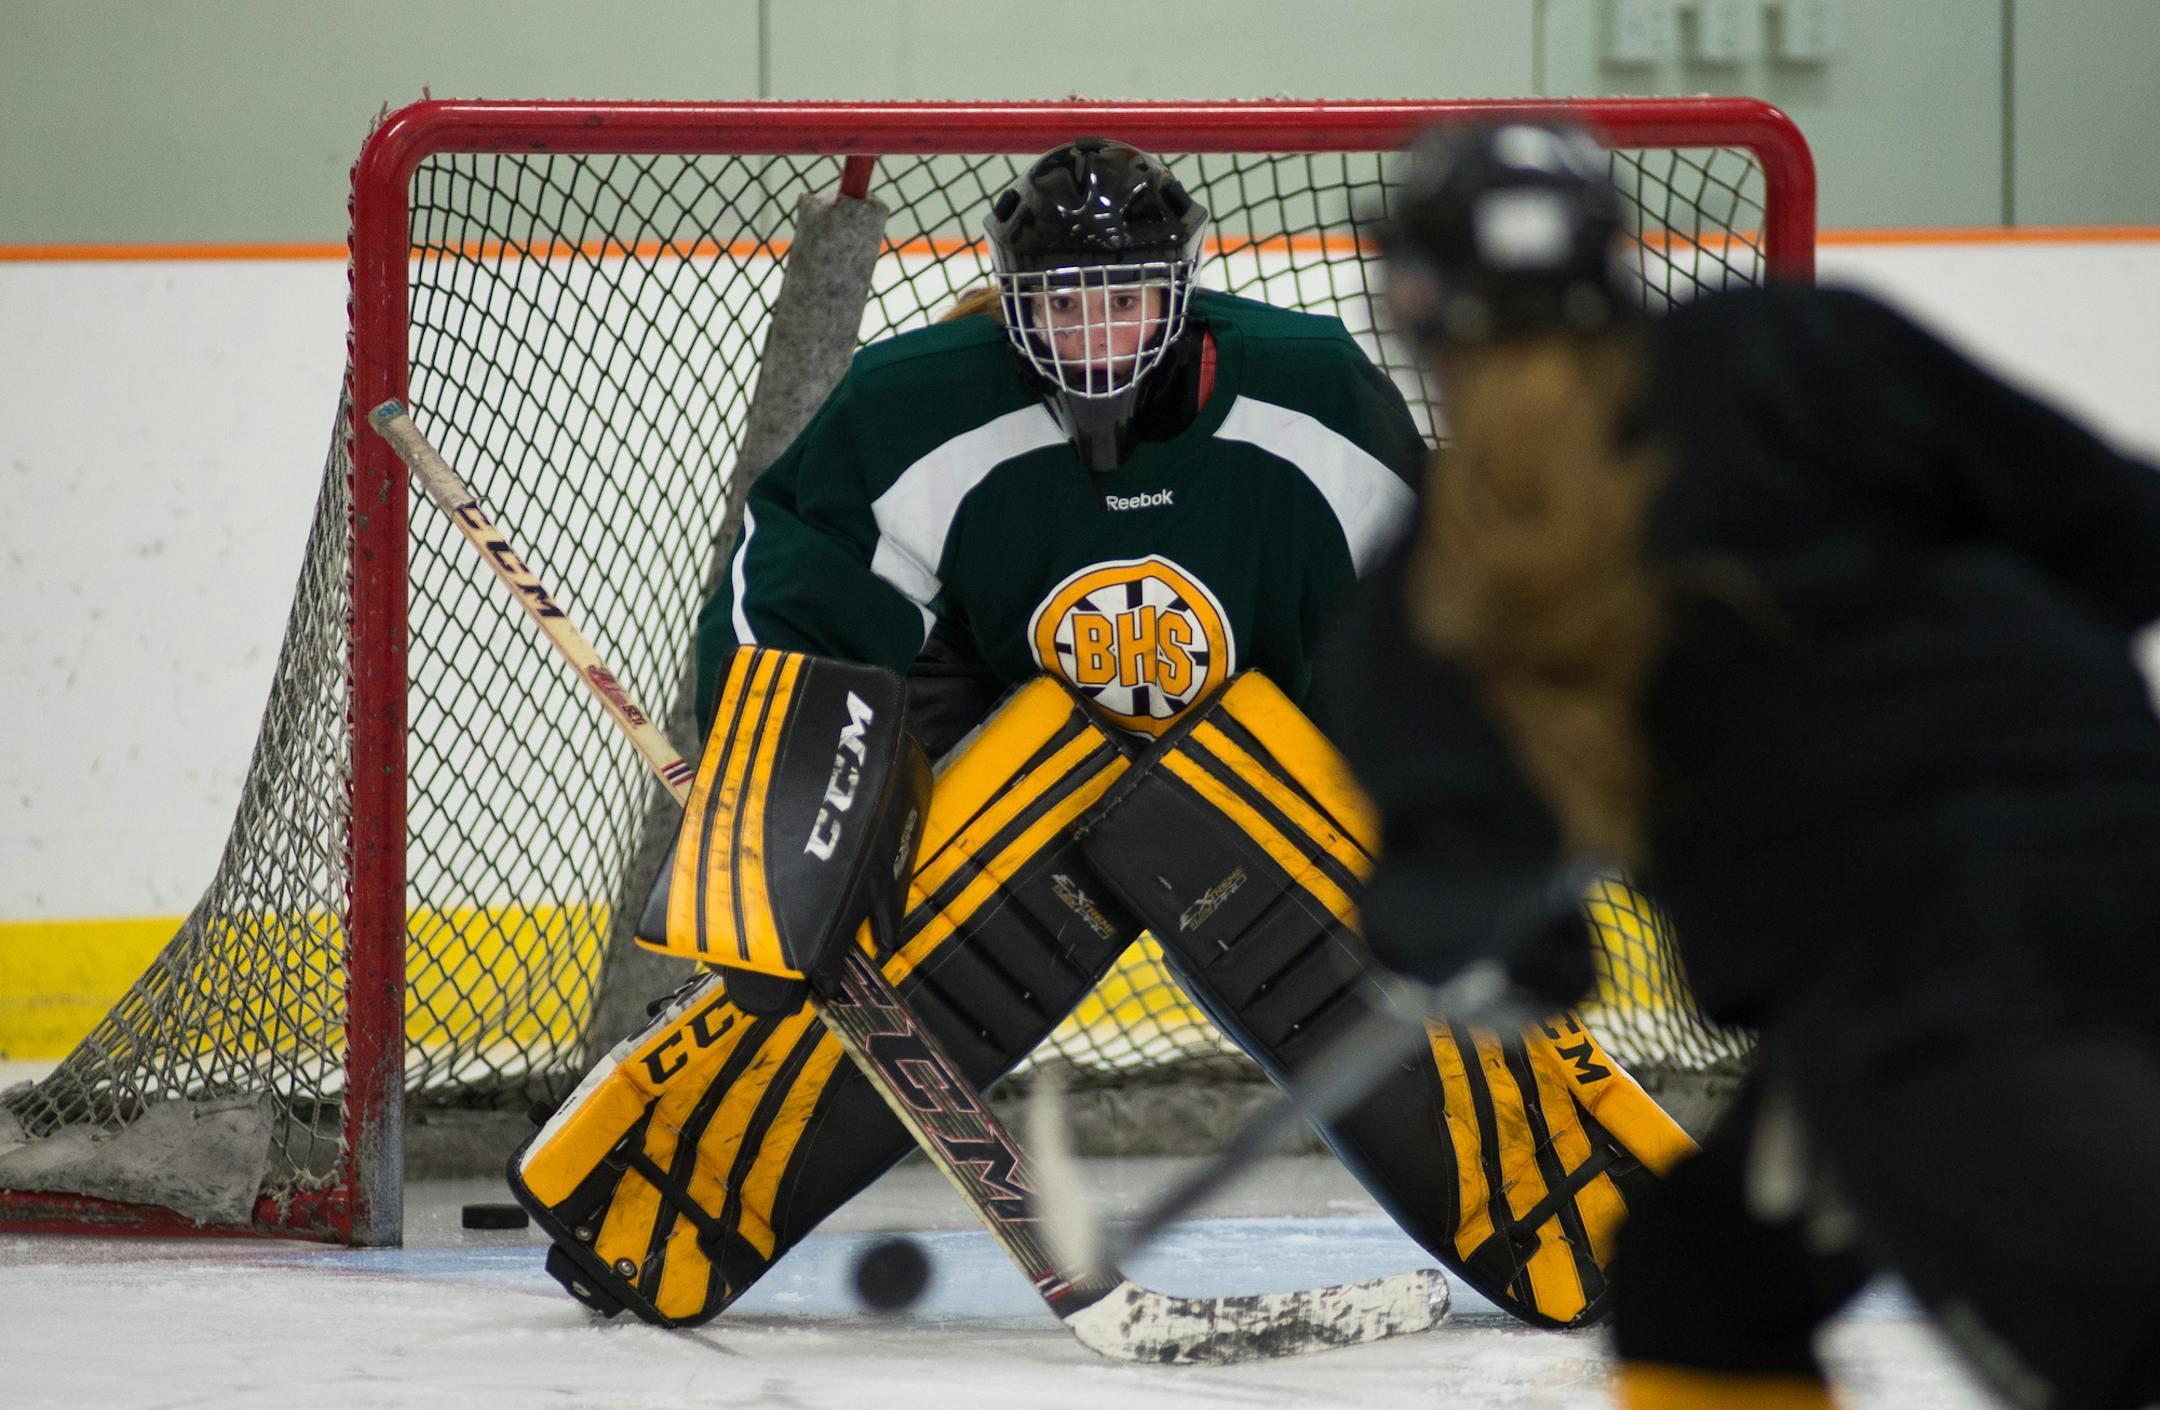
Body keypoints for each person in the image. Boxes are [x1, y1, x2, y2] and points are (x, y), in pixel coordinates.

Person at [508, 134, 1691, 1334]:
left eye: (1126, 298)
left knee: (1412, 939)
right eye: (1063, 307)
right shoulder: (914, 403)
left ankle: (1598, 1222)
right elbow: (797, 610)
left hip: (1265, 769)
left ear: (1183, 288)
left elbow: (1430, 636)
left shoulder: (1314, 392)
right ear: (1010, 302)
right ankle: (643, 1201)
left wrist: (1460, 844)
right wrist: (785, 813)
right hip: (1010, 759)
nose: (1098, 337)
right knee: (851, 936)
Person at [1344, 117, 2160, 1409]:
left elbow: (1462, 904)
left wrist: (1496, 943)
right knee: (1704, 1278)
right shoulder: (1800, 345)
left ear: (1412, 302)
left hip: (1924, 987)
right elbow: (2122, 532)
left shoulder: (1442, 572)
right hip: (2122, 844)